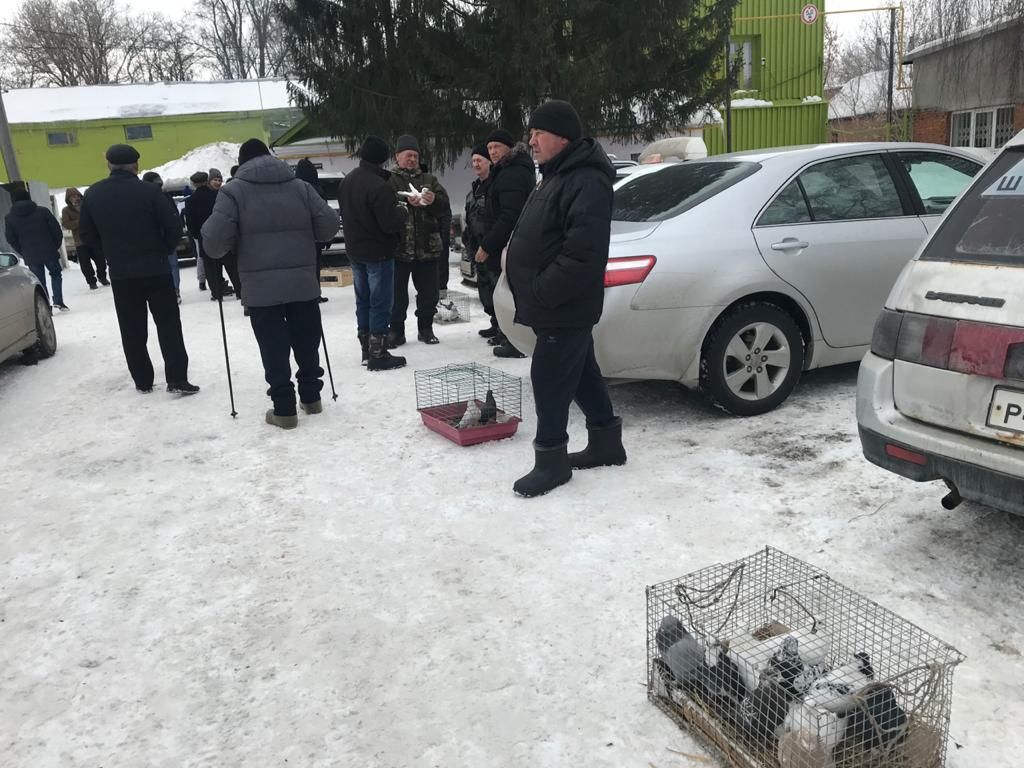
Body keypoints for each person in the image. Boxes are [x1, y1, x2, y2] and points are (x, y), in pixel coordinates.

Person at [504, 100, 626, 497]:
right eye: (531, 133)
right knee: (582, 372)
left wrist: (541, 291)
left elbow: (582, 255)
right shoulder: (556, 174)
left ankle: (551, 460)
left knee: (550, 378)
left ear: (563, 137)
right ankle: (607, 442)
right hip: (555, 305)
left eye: (539, 134)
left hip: (563, 305)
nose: (531, 141)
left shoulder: (586, 180)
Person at [201, 138, 340, 430]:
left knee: (272, 346)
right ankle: (312, 397)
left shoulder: (232, 192)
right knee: (306, 338)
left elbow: (213, 243)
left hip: (260, 286)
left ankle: (284, 408)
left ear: (242, 161)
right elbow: (328, 224)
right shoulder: (301, 187)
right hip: (302, 281)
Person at [79, 143, 198, 395]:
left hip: (122, 273)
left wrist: (109, 254)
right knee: (168, 325)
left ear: (108, 165)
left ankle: (143, 380)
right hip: (156, 269)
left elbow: (87, 234)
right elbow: (174, 226)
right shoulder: (150, 192)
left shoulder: (94, 194)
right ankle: (177, 378)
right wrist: (163, 250)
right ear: (136, 165)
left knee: (131, 328)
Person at [338, 135, 409, 372]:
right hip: (378, 252)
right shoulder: (379, 186)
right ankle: (378, 352)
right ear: (383, 159)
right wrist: (402, 212)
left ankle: (366, 349)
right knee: (380, 302)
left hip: (355, 251)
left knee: (363, 300)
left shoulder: (347, 181)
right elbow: (388, 223)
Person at [386, 134, 450, 347]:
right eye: (408, 155)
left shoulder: (429, 180)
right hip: (399, 249)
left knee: (428, 294)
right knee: (397, 296)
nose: (412, 159)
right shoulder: (389, 180)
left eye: (415, 155)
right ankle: (396, 331)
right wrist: (403, 201)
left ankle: (426, 328)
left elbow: (443, 206)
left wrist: (433, 201)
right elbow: (383, 207)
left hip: (427, 249)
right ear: (397, 157)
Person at [477, 128, 535, 359]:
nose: (492, 152)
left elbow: (509, 216)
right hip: (510, 243)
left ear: (508, 148)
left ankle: (515, 340)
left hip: (511, 245)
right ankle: (506, 333)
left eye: (496, 147)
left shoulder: (512, 173)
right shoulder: (506, 170)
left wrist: (487, 245)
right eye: (489, 148)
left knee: (510, 293)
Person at [5, 186, 69, 311]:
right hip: (49, 251)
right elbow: (56, 230)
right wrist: (54, 246)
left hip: (30, 254)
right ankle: (58, 301)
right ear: (29, 197)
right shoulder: (42, 211)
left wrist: (22, 251)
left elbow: (11, 238)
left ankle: (45, 305)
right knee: (56, 274)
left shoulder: (10, 218)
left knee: (39, 281)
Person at [294, 157, 331, 304]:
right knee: (315, 266)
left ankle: (304, 294)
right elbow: (323, 215)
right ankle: (315, 293)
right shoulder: (317, 190)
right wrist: (327, 237)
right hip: (315, 236)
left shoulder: (294, 190)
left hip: (299, 236)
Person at [141, 172, 182, 304]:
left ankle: (167, 291)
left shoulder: (143, 198)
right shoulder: (165, 197)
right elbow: (175, 217)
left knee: (162, 266)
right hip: (166, 238)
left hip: (153, 239)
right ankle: (174, 290)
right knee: (172, 265)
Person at [61, 187, 108, 290]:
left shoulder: (87, 205)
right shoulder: (66, 210)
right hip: (80, 240)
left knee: (100, 260)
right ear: (68, 199)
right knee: (85, 264)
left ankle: (102, 276)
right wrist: (80, 222)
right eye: (72, 197)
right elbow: (66, 224)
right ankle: (91, 281)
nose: (75, 198)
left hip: (93, 238)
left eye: (77, 195)